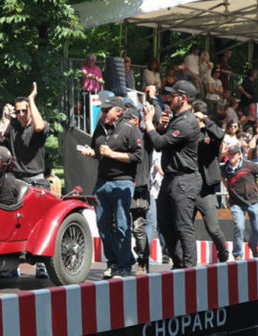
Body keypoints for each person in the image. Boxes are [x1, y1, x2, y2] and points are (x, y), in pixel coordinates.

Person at [79, 96, 143, 277]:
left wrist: (113, 154)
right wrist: (89, 153)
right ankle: (113, 262)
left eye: (108, 110)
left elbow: (138, 157)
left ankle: (124, 266)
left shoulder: (130, 129)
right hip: (102, 181)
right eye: (103, 110)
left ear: (119, 111)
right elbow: (97, 152)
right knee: (103, 224)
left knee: (122, 225)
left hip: (123, 181)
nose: (104, 113)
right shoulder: (100, 127)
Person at [143, 80, 202, 269]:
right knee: (165, 224)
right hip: (170, 178)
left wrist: (148, 122)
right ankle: (178, 265)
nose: (169, 98)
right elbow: (160, 138)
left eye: (173, 95)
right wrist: (159, 126)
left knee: (183, 225)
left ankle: (189, 268)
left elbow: (159, 144)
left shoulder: (187, 122)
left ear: (183, 98)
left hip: (184, 179)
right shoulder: (177, 119)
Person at [222, 145, 258, 259]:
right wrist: (228, 191)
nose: (231, 155)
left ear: (239, 154)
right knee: (239, 226)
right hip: (236, 202)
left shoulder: (250, 165)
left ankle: (253, 245)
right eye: (229, 153)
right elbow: (223, 179)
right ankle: (237, 254)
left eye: (234, 153)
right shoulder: (225, 169)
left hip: (253, 201)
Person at [192, 100, 230, 262]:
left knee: (213, 228)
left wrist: (205, 120)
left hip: (206, 188)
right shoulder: (188, 131)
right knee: (184, 227)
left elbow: (220, 135)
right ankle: (187, 261)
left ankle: (223, 254)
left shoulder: (211, 133)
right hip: (188, 185)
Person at [123, 103, 153, 274]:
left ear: (136, 120)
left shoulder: (145, 137)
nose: (124, 123)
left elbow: (156, 133)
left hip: (139, 189)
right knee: (117, 226)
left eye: (127, 119)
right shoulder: (120, 136)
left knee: (138, 228)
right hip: (122, 186)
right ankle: (127, 258)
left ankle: (143, 262)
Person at [2, 82, 49, 186]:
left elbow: (39, 127)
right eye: (18, 111)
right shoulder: (14, 126)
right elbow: (1, 134)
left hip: (35, 179)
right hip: (16, 178)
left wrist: (31, 99)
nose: (21, 114)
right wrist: (5, 115)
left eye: (24, 111)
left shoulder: (38, 125)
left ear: (31, 110)